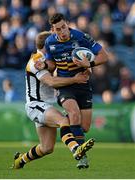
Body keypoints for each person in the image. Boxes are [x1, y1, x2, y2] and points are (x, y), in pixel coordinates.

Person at [12, 31, 95, 169]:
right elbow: (51, 82)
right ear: (47, 44)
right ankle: (76, 150)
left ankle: (20, 161)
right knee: (64, 121)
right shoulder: (36, 61)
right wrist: (74, 79)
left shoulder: (50, 60)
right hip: (36, 104)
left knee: (46, 148)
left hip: (48, 106)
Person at [37, 13, 108, 169]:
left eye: (64, 27)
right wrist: (44, 66)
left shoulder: (81, 37)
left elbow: (104, 56)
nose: (62, 31)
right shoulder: (49, 42)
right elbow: (51, 63)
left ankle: (65, 123)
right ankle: (82, 157)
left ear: (67, 24)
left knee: (85, 127)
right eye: (58, 29)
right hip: (65, 85)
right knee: (74, 113)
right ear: (53, 29)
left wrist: (89, 63)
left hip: (83, 84)